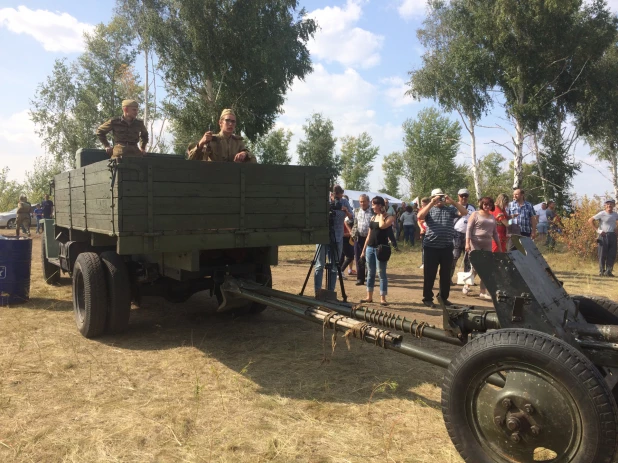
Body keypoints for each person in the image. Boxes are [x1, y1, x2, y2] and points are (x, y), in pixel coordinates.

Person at [418, 189, 468, 308]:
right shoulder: (429, 209)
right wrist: (431, 203)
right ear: (432, 198)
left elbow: (464, 212)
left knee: (445, 275)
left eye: (441, 197)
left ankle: (443, 298)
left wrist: (453, 202)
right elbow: (420, 216)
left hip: (446, 247)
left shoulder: (450, 209)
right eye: (436, 197)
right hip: (431, 247)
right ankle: (427, 298)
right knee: (429, 274)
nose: (439, 199)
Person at [314, 185, 353, 295]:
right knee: (319, 265)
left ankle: (330, 292)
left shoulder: (344, 202)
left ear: (342, 194)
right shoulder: (324, 201)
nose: (337, 198)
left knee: (334, 266)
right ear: (331, 194)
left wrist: (346, 211)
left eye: (339, 196)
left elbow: (352, 217)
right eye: (334, 195)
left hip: (337, 236)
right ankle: (317, 291)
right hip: (323, 236)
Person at [464, 197, 503, 299]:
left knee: (486, 268)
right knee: (476, 266)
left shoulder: (492, 217)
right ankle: (467, 285)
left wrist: (499, 246)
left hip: (487, 243)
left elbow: (495, 233)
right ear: (482, 204)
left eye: (489, 205)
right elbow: (469, 229)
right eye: (485, 204)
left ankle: (483, 291)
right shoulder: (475, 214)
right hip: (475, 241)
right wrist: (467, 243)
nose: (487, 207)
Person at [360, 196, 395, 306]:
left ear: (380, 205)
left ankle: (382, 298)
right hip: (370, 248)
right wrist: (363, 250)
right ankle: (369, 297)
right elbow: (369, 235)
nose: (372, 206)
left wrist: (380, 214)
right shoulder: (372, 218)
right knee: (370, 273)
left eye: (374, 204)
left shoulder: (389, 217)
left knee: (381, 273)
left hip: (381, 249)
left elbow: (381, 225)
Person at [188, 109, 256, 163]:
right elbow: (191, 160)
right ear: (220, 122)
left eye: (233, 121)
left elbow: (253, 160)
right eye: (227, 120)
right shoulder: (210, 139)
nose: (230, 124)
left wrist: (245, 154)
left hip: (233, 178)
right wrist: (201, 143)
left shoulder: (238, 142)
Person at [451, 188, 476, 282]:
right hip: (456, 234)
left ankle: (466, 281)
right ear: (458, 196)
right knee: (454, 257)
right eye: (462, 196)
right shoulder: (453, 207)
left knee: (468, 258)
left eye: (466, 196)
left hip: (469, 235)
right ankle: (448, 278)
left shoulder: (472, 207)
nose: (464, 198)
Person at [588, 199, 618, 277]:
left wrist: (617, 229)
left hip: (613, 236)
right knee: (602, 254)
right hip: (603, 235)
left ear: (614, 205)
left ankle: (608, 272)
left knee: (612, 254)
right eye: (607, 204)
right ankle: (601, 271)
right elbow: (590, 220)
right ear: (605, 206)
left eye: (611, 204)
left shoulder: (615, 214)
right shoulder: (602, 213)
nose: (609, 206)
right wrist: (598, 230)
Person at [353, 194, 373, 286]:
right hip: (359, 238)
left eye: (364, 201)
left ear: (368, 201)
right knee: (358, 258)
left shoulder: (373, 211)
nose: (362, 203)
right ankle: (360, 279)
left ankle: (369, 278)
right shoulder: (356, 211)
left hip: (370, 238)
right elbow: (353, 223)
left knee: (369, 259)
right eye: (360, 201)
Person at [417, 197, 430, 269]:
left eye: (424, 205)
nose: (422, 206)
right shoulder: (421, 210)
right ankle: (424, 263)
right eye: (421, 204)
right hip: (423, 231)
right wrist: (421, 228)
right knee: (424, 247)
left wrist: (424, 220)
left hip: (431, 231)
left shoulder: (431, 209)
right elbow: (418, 221)